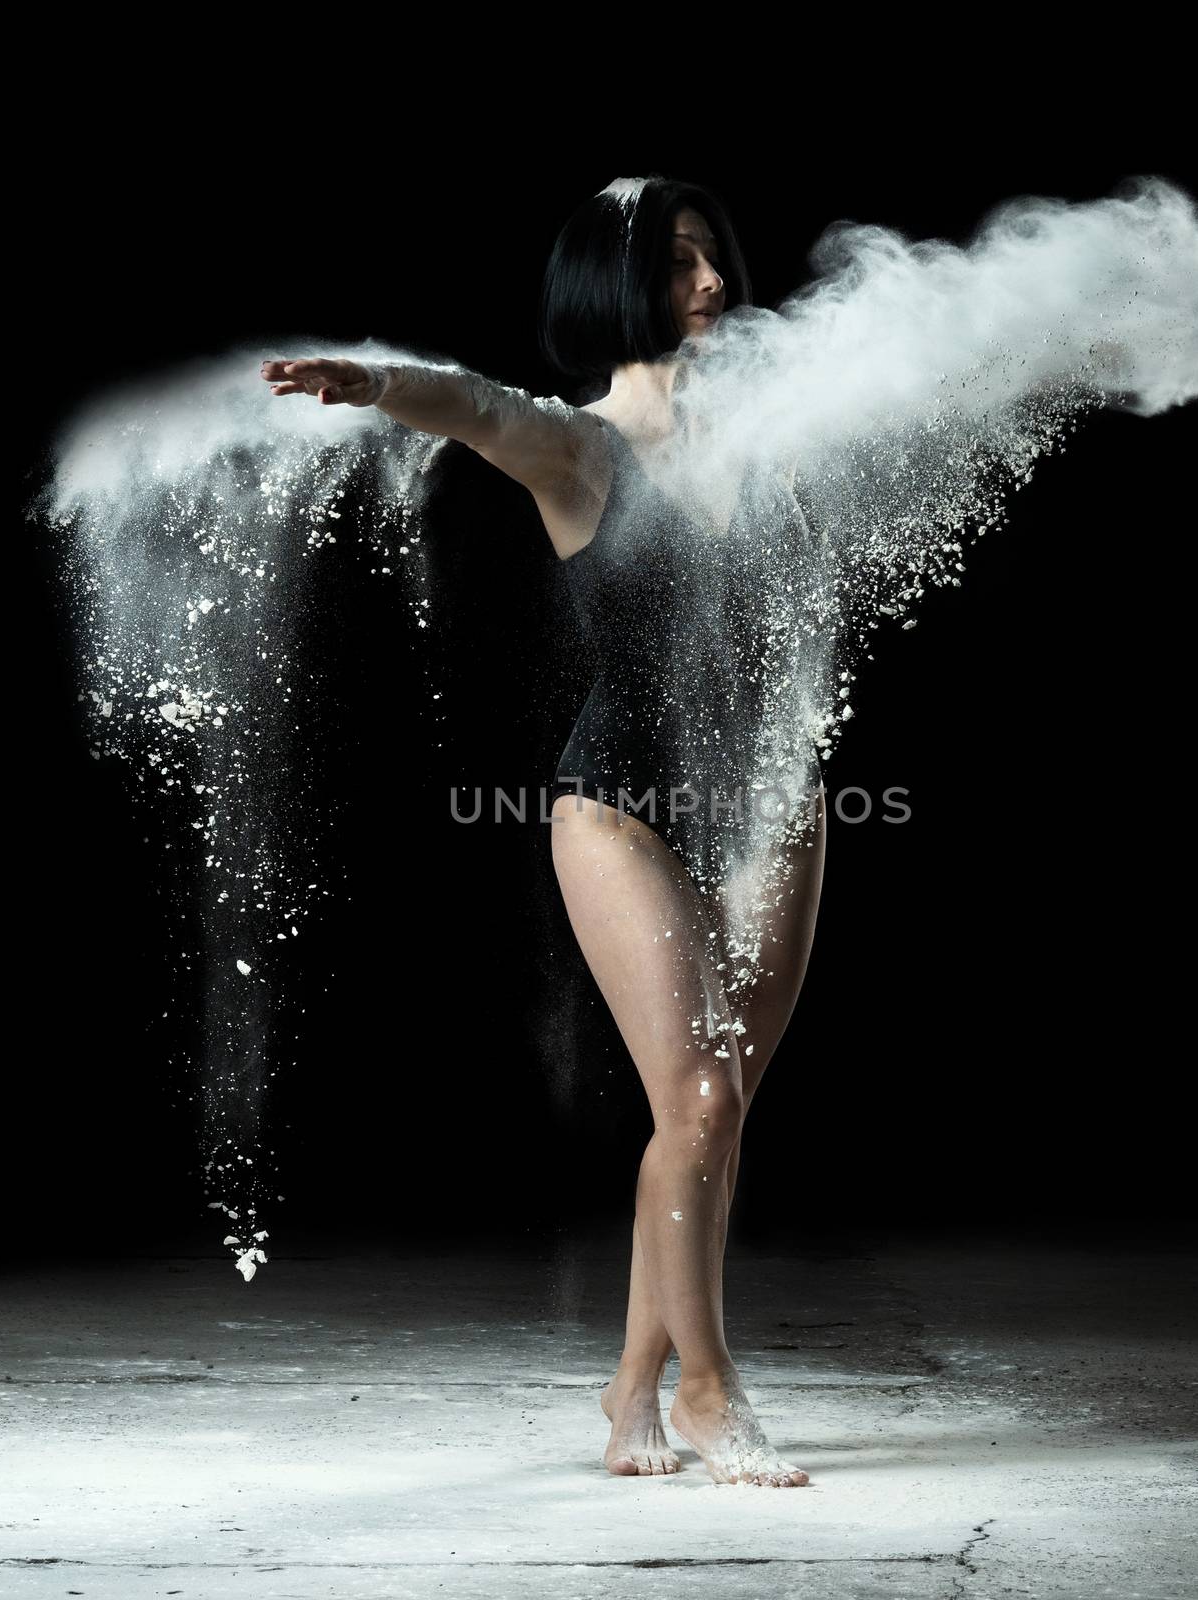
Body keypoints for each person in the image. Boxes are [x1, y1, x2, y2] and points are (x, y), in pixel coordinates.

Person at [261, 176, 822, 1488]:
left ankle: (630, 1392)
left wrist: (1121, 344)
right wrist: (377, 381)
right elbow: (472, 406)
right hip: (615, 807)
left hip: (775, 801)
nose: (712, 286)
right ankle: (707, 1388)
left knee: (714, 1116)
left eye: (713, 259)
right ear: (611, 284)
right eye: (682, 263)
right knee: (697, 1092)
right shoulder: (578, 449)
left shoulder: (798, 427)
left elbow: (954, 382)